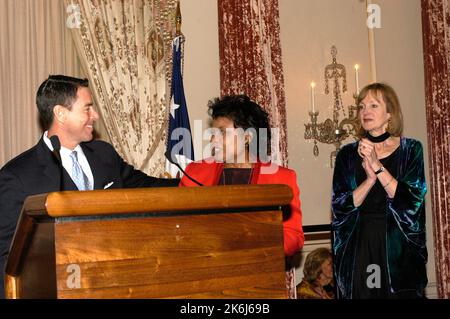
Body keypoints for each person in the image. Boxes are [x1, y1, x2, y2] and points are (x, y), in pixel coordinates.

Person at [0, 75, 179, 298]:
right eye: (87, 108)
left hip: (117, 284)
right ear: (61, 114)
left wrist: (192, 183)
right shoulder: (17, 176)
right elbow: (7, 258)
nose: (94, 115)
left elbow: (144, 186)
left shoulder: (104, 155)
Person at [331, 82, 427, 299]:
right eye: (362, 106)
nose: (365, 111)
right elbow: (340, 207)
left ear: (390, 113)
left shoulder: (411, 149)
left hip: (398, 248)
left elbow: (410, 203)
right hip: (362, 246)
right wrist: (369, 181)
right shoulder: (347, 154)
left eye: (374, 105)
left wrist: (377, 166)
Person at [179, 95, 304, 257]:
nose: (213, 139)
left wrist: (257, 248)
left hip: (257, 269)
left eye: (222, 132)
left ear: (247, 137)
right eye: (213, 133)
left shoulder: (281, 178)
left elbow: (293, 236)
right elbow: (181, 226)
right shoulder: (195, 173)